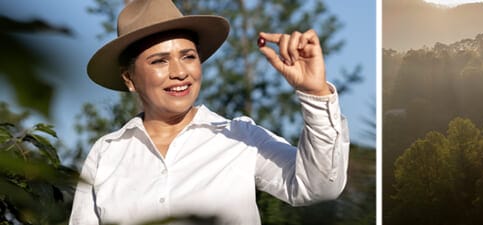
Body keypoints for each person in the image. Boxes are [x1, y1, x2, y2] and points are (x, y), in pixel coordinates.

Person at [69, 0, 349, 224]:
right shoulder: (106, 154)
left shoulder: (241, 138)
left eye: (188, 56)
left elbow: (321, 186)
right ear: (129, 79)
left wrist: (315, 93)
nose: (180, 73)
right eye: (159, 61)